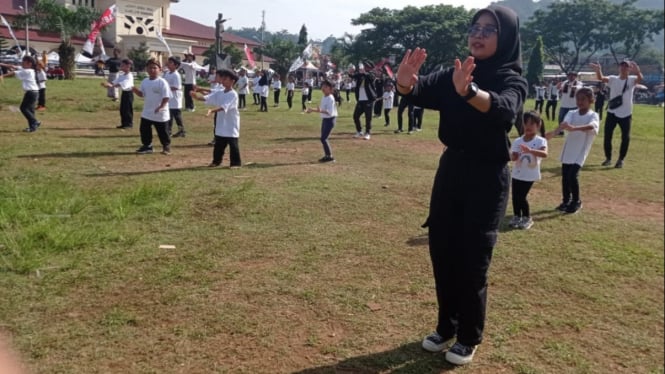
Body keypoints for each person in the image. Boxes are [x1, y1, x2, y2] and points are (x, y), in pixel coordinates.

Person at [395, 5, 527, 365]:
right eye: (475, 27)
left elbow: (504, 109)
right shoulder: (456, 71)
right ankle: (446, 326)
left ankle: (469, 335)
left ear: (507, 38)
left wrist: (469, 92)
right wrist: (404, 80)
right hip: (452, 168)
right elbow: (417, 90)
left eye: (489, 29)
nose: (478, 34)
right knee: (443, 250)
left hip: (488, 175)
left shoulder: (511, 77)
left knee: (472, 260)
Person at [545, 87, 599, 214]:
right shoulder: (571, 113)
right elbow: (564, 125)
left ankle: (576, 201)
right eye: (578, 99)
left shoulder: (593, 115)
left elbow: (592, 126)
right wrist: (553, 133)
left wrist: (574, 128)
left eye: (583, 99)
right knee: (565, 177)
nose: (580, 102)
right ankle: (566, 201)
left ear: (591, 100)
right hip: (568, 150)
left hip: (580, 151)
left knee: (572, 176)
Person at [590, 59, 643, 169]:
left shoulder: (631, 79)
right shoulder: (613, 79)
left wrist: (638, 72)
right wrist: (598, 70)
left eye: (626, 66)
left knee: (626, 137)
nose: (623, 68)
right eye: (622, 66)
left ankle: (621, 159)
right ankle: (608, 158)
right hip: (612, 112)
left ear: (629, 69)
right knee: (607, 136)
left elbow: (639, 79)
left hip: (626, 113)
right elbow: (601, 78)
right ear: (619, 68)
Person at [192, 68, 241, 168]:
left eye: (226, 79)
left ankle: (235, 163)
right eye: (223, 79)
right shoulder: (220, 92)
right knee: (219, 144)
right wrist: (196, 97)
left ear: (232, 81)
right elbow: (208, 98)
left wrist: (212, 111)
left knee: (233, 144)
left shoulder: (233, 94)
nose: (223, 81)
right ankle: (216, 161)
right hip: (221, 122)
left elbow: (224, 107)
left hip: (231, 123)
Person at [508, 110, 548, 230]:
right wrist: (509, 155)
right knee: (515, 196)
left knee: (522, 196)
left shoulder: (540, 141)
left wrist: (530, 150)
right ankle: (516, 216)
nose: (528, 126)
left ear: (538, 125)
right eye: (525, 123)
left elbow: (544, 154)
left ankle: (527, 218)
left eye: (531, 123)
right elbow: (514, 157)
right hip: (517, 174)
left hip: (530, 174)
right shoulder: (518, 141)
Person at [131, 58, 172, 155]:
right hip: (147, 111)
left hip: (160, 112)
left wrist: (161, 106)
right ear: (146, 69)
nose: (152, 70)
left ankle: (166, 146)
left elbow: (167, 96)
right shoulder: (145, 81)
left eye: (154, 68)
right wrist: (134, 89)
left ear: (160, 69)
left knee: (163, 131)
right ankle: (147, 146)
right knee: (144, 129)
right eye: (150, 68)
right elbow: (142, 94)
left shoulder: (162, 82)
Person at [1, 56, 42, 132]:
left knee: (24, 108)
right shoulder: (28, 69)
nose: (22, 62)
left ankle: (35, 122)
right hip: (34, 93)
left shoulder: (28, 71)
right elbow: (12, 66)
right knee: (30, 110)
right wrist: (1, 64)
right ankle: (32, 127)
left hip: (31, 93)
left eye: (24, 61)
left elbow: (14, 73)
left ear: (29, 63)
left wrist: (2, 76)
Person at [306, 80, 337, 163]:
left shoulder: (330, 98)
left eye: (326, 87)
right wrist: (312, 110)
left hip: (330, 120)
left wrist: (319, 110)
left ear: (330, 89)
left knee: (323, 138)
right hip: (325, 119)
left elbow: (329, 112)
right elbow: (321, 110)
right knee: (323, 138)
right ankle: (328, 156)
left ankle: (330, 157)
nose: (323, 88)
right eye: (323, 86)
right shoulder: (324, 97)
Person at [100, 58, 134, 129]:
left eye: (123, 65)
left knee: (127, 109)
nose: (121, 66)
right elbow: (116, 81)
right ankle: (124, 123)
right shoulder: (122, 75)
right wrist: (108, 84)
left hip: (129, 94)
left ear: (128, 66)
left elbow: (123, 84)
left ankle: (129, 124)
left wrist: (112, 85)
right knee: (123, 109)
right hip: (124, 93)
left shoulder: (129, 75)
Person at [349, 63, 377, 140]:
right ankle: (359, 131)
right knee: (355, 116)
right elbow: (352, 76)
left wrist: (364, 72)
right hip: (360, 100)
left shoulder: (371, 74)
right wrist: (350, 72)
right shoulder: (359, 75)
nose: (361, 69)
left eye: (363, 67)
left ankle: (367, 133)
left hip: (368, 100)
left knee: (368, 118)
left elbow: (372, 78)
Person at [164, 56, 186, 137]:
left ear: (176, 65)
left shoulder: (176, 75)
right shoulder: (167, 73)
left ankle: (181, 130)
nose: (168, 64)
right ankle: (168, 130)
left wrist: (166, 88)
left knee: (176, 115)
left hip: (175, 97)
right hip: (169, 97)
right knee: (169, 114)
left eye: (171, 63)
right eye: (168, 62)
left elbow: (176, 86)